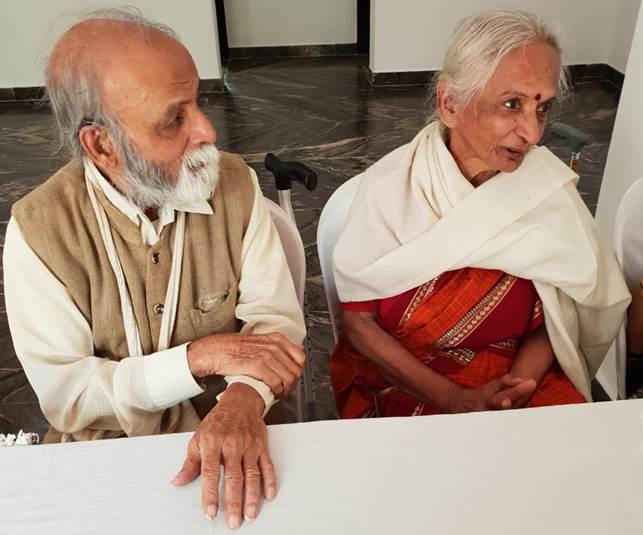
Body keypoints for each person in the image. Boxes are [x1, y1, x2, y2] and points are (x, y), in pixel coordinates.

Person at [2, 8, 305, 529]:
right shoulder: (38, 230)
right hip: (103, 459)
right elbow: (70, 397)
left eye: (198, 103)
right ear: (101, 145)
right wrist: (196, 359)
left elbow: (273, 323)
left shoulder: (235, 185)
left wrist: (242, 400)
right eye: (174, 118)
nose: (208, 131)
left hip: (238, 432)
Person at [330, 10, 630, 419]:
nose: (533, 133)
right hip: (402, 383)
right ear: (450, 103)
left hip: (521, 378)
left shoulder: (545, 191)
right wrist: (454, 399)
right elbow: (359, 328)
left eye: (542, 109)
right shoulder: (389, 189)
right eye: (511, 104)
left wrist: (516, 389)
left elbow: (563, 312)